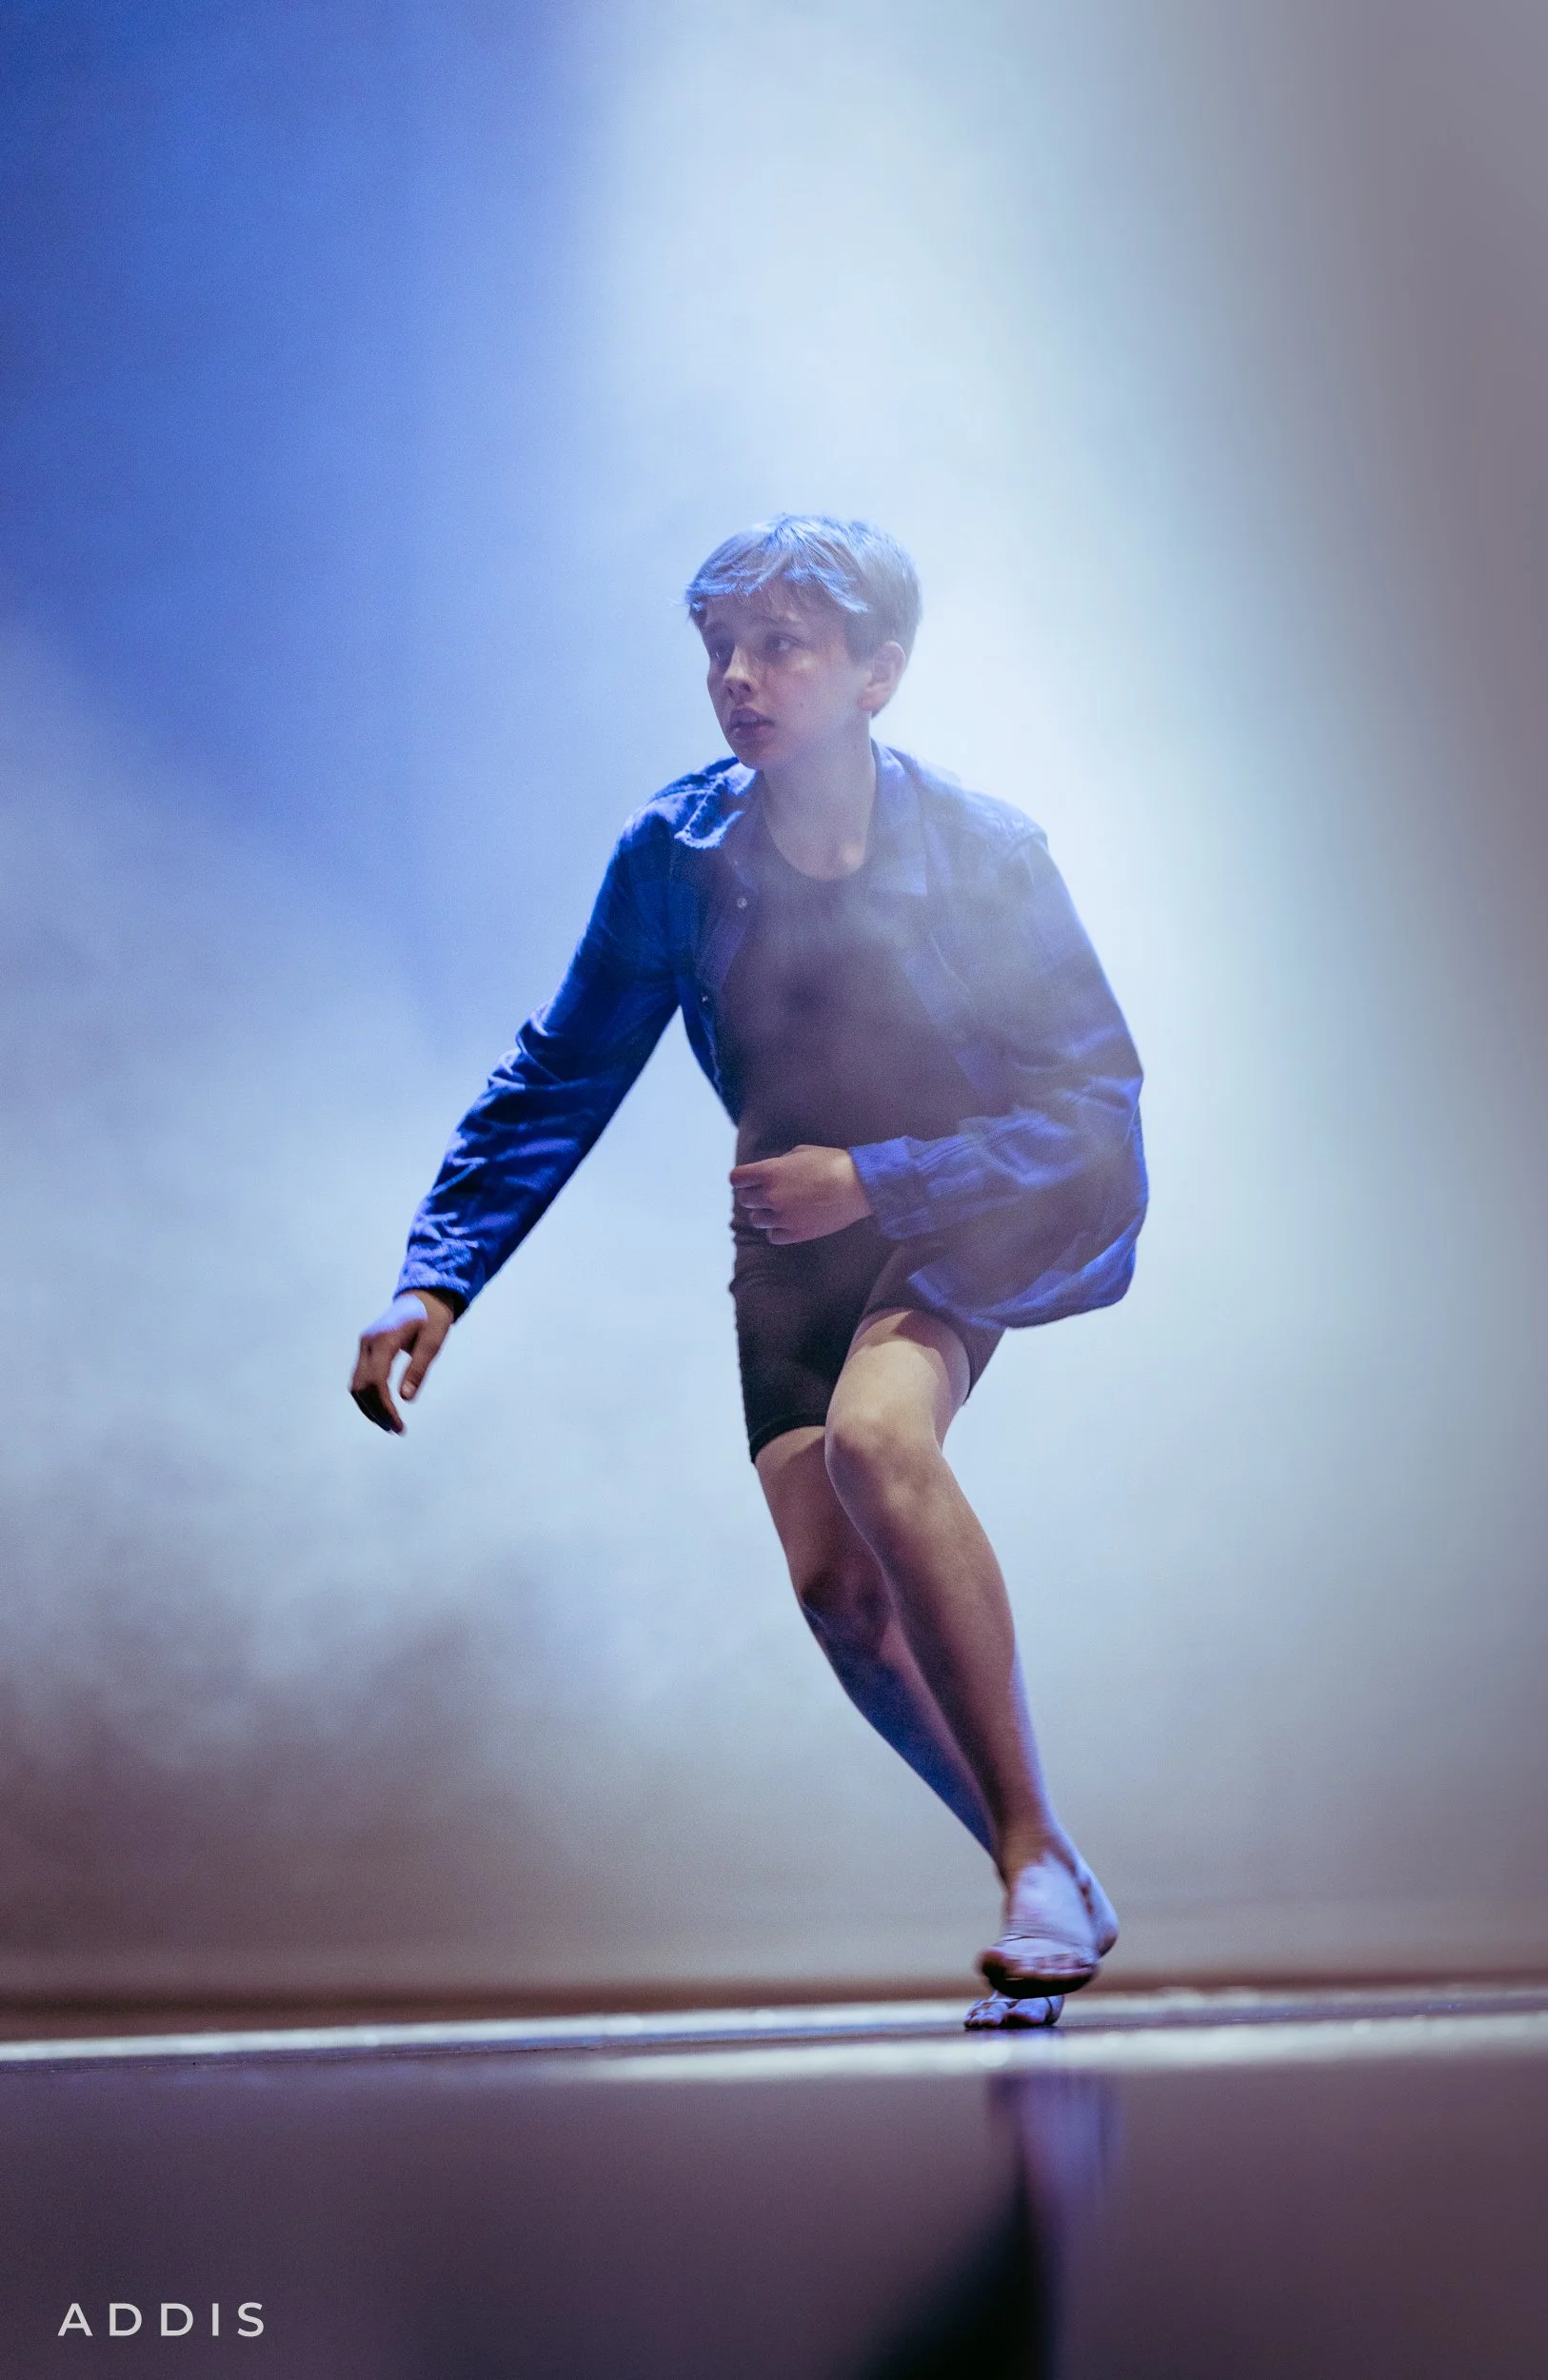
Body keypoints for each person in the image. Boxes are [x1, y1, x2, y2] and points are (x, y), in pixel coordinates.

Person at [350, 516, 1147, 2025]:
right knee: (837, 1592)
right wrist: (432, 1278)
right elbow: (557, 1074)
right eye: (720, 648)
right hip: (788, 1235)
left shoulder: (987, 855)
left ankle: (1033, 1859)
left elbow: (1094, 1109)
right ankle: (1040, 1860)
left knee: (875, 1442)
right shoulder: (673, 856)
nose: (737, 677)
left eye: (780, 646)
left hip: (962, 1210)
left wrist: (880, 1179)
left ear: (875, 674)